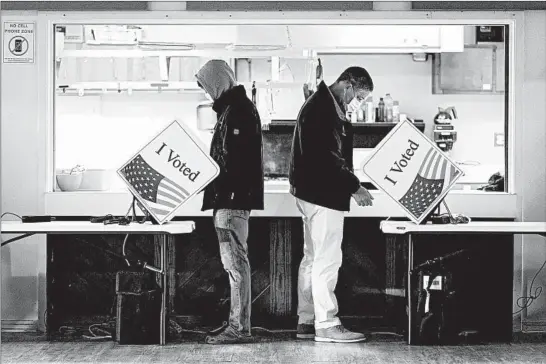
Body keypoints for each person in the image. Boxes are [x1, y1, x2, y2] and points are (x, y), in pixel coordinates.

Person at [289, 66, 375, 343]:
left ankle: (306, 320)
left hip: (310, 192)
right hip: (324, 194)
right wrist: (355, 186)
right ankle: (326, 324)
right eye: (359, 96)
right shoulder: (324, 109)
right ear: (348, 85)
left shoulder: (318, 104)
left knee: (312, 258)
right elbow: (327, 158)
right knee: (327, 259)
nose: (357, 102)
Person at [195, 60, 264, 344]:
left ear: (218, 82)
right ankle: (238, 325)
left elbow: (232, 161)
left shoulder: (237, 112)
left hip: (230, 203)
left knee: (235, 265)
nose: (207, 92)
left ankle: (238, 328)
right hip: (230, 201)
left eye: (207, 85)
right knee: (236, 265)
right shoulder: (235, 109)